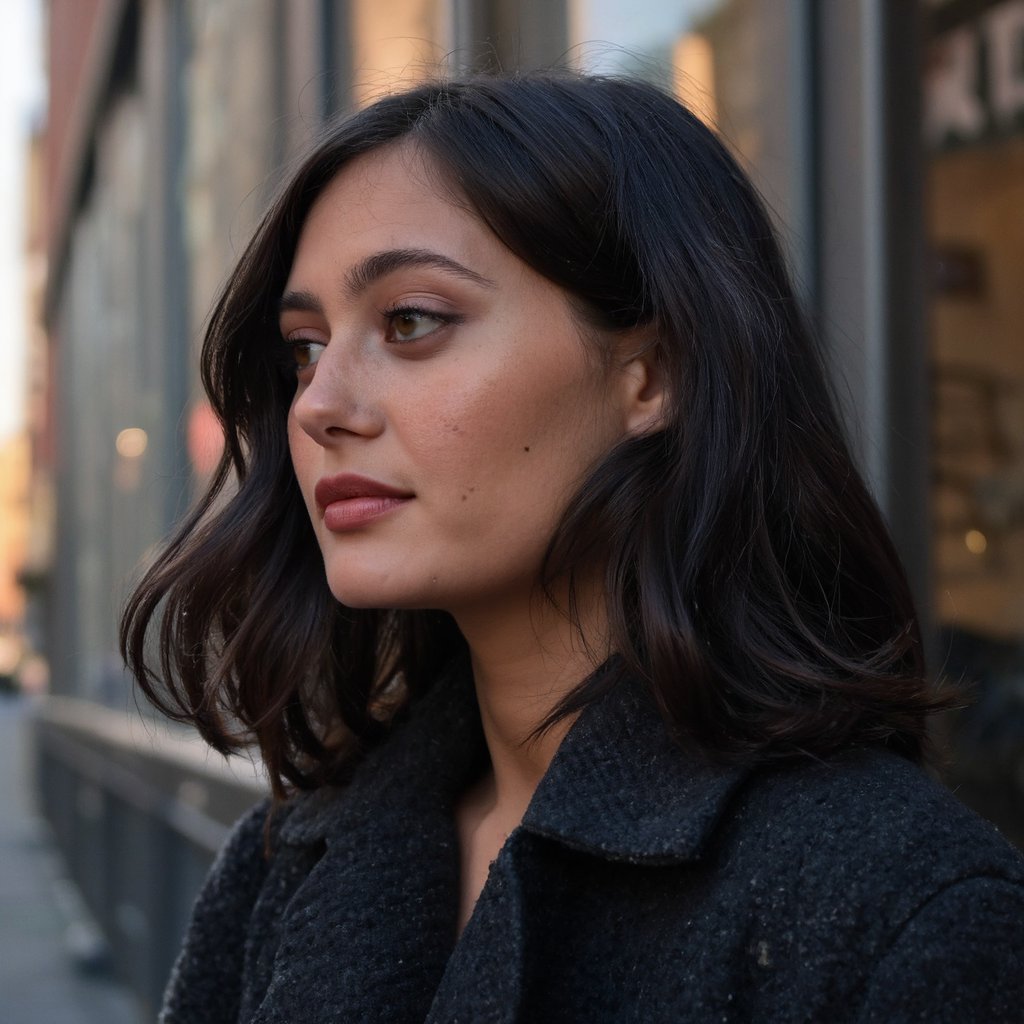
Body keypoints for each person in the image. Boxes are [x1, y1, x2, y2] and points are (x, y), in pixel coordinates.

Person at [120, 72, 1024, 1023]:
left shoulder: (901, 912)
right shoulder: (288, 863)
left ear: (652, 374)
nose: (318, 405)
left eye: (412, 321)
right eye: (305, 347)